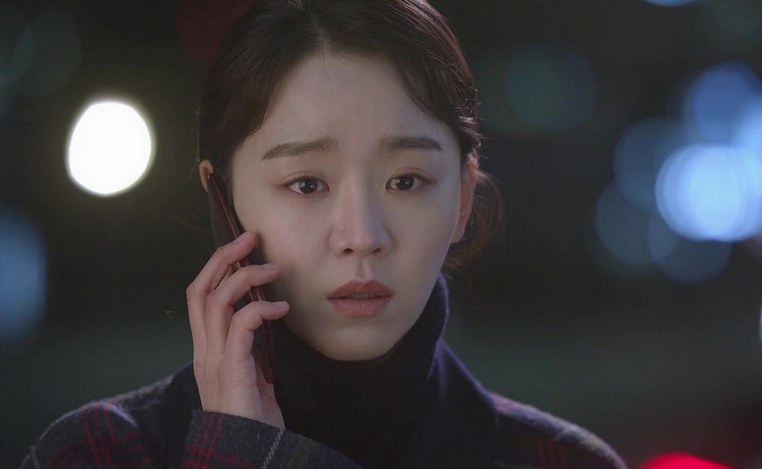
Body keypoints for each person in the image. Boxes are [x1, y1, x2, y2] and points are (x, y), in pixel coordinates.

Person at [22, 0, 626, 467]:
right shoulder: (98, 454)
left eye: (407, 180)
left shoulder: (562, 461)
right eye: (307, 184)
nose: (361, 236)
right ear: (222, 201)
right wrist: (239, 452)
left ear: (463, 198)